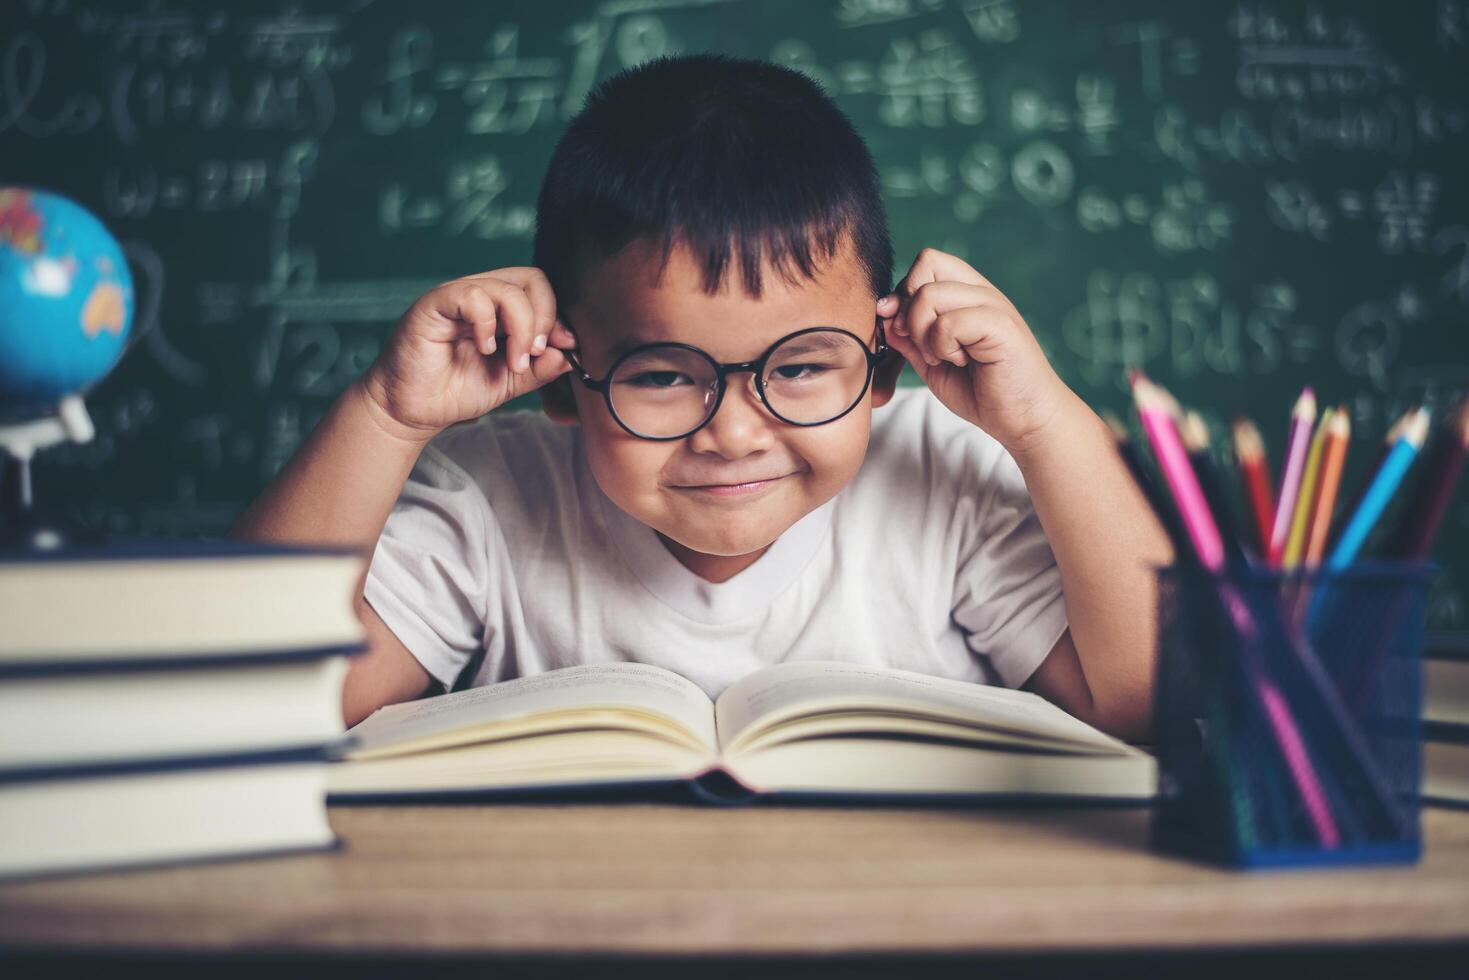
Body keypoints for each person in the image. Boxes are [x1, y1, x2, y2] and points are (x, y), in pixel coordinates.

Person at [233, 54, 1171, 736]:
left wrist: (1045, 421)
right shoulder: (490, 495)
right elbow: (254, 694)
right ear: (566, 380)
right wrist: (386, 415)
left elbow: (1148, 701)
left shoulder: (945, 473)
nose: (731, 433)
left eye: (800, 367)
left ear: (883, 369)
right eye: (660, 376)